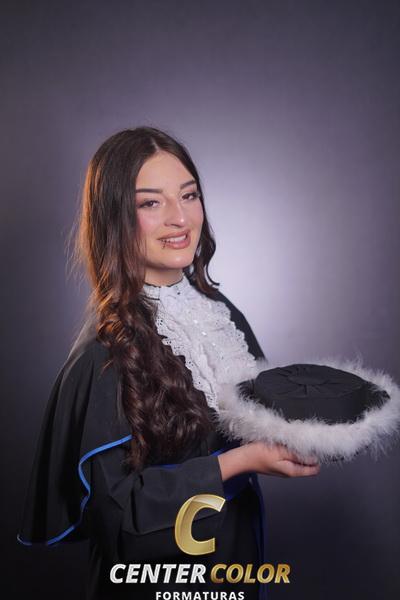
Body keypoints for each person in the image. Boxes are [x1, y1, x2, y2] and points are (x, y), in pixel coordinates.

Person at [17, 126, 320, 599]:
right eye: (151, 203)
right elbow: (117, 515)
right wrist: (239, 463)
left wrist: (324, 425)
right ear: (115, 218)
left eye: (189, 195)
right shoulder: (105, 354)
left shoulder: (220, 313)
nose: (180, 218)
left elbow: (255, 416)